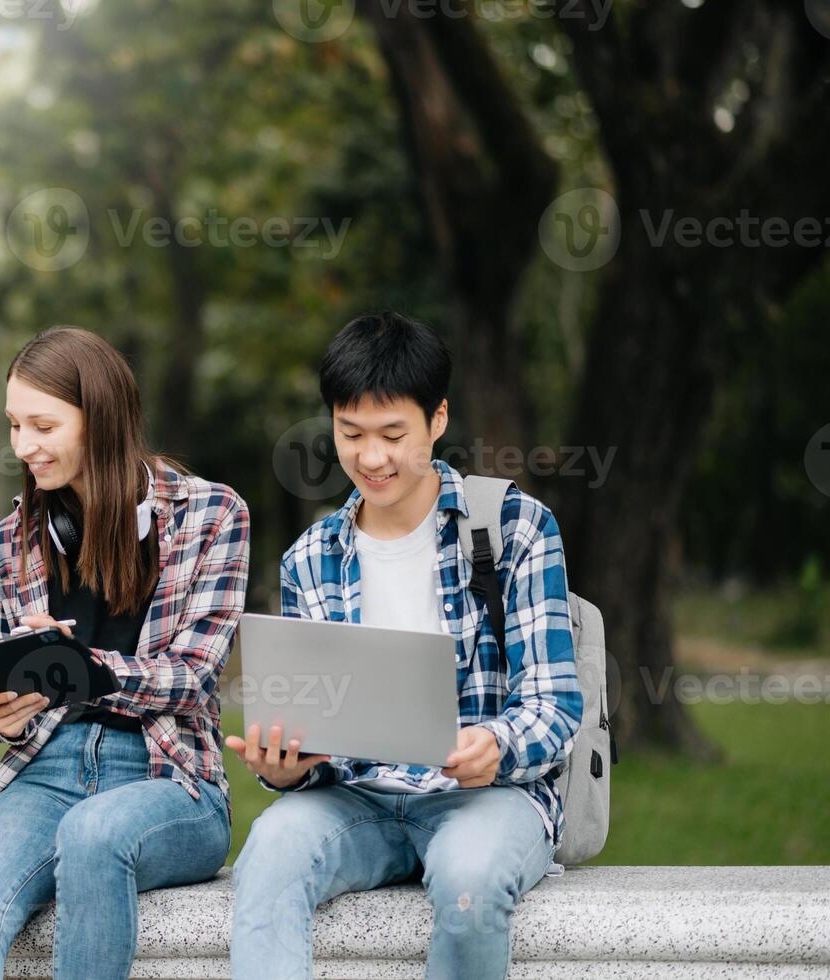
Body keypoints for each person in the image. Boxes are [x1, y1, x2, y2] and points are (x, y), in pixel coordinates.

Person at [228, 311, 583, 980]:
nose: (372, 458)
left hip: (488, 797)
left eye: (394, 434)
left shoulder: (514, 526)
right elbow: (311, 734)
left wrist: (497, 745)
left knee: (470, 881)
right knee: (269, 850)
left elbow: (555, 705)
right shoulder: (310, 557)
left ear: (437, 419)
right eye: (351, 433)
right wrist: (285, 768)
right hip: (357, 797)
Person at [0, 326, 246, 980]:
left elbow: (192, 679)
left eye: (43, 425)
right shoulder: (12, 542)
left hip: (170, 775)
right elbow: (8, 694)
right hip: (47, 767)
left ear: (99, 420)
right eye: (15, 425)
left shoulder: (213, 515)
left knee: (94, 836)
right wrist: (4, 712)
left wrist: (89, 669)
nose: (23, 446)